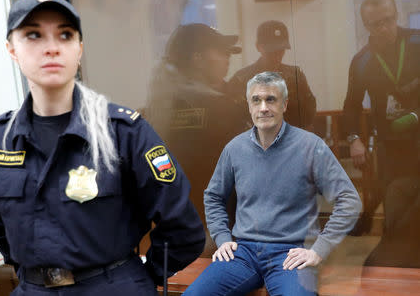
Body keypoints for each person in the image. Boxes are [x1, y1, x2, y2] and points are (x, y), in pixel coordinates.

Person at [0, 0, 205, 295]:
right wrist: (34, 271)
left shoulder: (123, 132)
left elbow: (182, 228)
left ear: (79, 49)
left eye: (65, 35)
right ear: (12, 50)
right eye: (33, 35)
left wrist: (138, 278)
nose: (52, 48)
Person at [183, 72, 362, 296]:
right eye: (256, 100)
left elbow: (350, 201)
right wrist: (222, 237)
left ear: (285, 104)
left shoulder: (310, 146)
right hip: (243, 253)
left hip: (291, 254)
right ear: (249, 106)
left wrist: (319, 249)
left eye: (271, 99)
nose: (263, 107)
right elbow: (214, 196)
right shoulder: (234, 149)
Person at [145, 23, 247, 255]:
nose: (227, 58)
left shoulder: (159, 107)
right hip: (222, 232)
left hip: (176, 228)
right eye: (220, 51)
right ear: (198, 58)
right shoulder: (222, 108)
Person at [342, 0, 420, 267]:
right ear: (367, 26)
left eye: (388, 20)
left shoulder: (416, 41)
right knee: (396, 216)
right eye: (376, 24)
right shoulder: (362, 60)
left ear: (396, 16)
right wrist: (354, 139)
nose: (384, 28)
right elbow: (351, 106)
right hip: (390, 148)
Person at [228, 20, 317, 130]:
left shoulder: (295, 75)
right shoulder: (241, 79)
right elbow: (234, 119)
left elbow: (308, 113)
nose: (277, 54)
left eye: (281, 49)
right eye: (271, 50)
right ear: (258, 47)